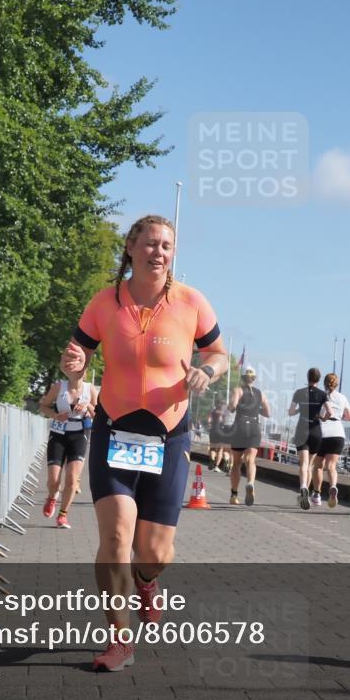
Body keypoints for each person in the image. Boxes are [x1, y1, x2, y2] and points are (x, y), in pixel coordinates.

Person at [60, 214, 228, 672]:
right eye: (151, 243)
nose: (159, 252)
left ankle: (146, 582)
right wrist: (74, 367)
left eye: (167, 246)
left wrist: (205, 371)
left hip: (169, 438)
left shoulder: (191, 302)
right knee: (115, 536)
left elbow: (218, 352)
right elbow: (77, 356)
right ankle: (120, 639)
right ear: (131, 248)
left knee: (154, 552)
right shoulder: (104, 303)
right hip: (114, 431)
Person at [39, 370, 97, 528]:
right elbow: (43, 407)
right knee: (53, 480)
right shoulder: (59, 387)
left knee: (72, 479)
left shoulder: (90, 389)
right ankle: (52, 497)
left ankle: (63, 515)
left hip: (79, 435)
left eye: (81, 370)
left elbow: (98, 415)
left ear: (85, 373)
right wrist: (56, 415)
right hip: (58, 434)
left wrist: (88, 406)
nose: (77, 373)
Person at [228, 366, 270, 506]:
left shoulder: (238, 390)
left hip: (240, 426)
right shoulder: (261, 394)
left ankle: (234, 495)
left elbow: (232, 406)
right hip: (254, 426)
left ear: (242, 378)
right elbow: (268, 413)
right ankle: (250, 483)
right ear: (254, 379)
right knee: (250, 460)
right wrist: (256, 409)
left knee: (237, 463)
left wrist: (232, 407)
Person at [289, 367, 328, 510]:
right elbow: (329, 411)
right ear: (318, 379)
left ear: (307, 378)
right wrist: (323, 417)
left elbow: (291, 412)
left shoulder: (299, 393)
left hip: (301, 429)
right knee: (311, 465)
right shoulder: (323, 394)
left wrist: (300, 409)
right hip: (316, 430)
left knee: (303, 464)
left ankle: (303, 486)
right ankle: (307, 490)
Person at [313, 373, 350, 508]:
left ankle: (317, 495)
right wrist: (339, 416)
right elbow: (349, 417)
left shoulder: (320, 396)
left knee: (318, 465)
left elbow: (314, 414)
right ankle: (333, 487)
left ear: (324, 383)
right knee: (331, 466)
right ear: (336, 384)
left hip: (323, 432)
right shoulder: (343, 398)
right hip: (338, 433)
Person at [207, 394, 230, 472]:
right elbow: (225, 421)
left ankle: (212, 460)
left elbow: (209, 421)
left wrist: (212, 424)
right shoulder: (224, 412)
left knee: (212, 448)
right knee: (220, 450)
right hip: (221, 431)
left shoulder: (213, 410)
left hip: (213, 430)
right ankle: (217, 466)